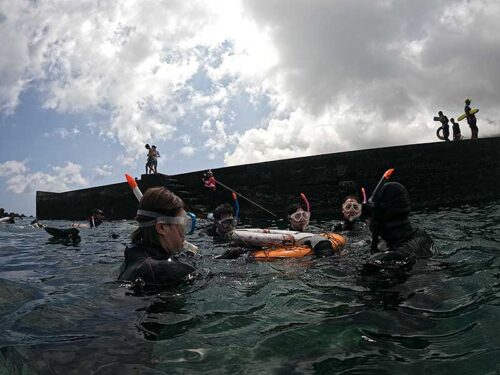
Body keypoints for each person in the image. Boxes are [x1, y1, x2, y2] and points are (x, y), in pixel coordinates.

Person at [118, 187, 196, 289]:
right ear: (161, 227)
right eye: (183, 226)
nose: (184, 234)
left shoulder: (132, 256)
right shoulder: (166, 271)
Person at [363, 182, 435, 274]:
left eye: (372, 214)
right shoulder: (421, 235)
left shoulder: (387, 258)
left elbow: (358, 284)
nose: (369, 220)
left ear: (381, 215)